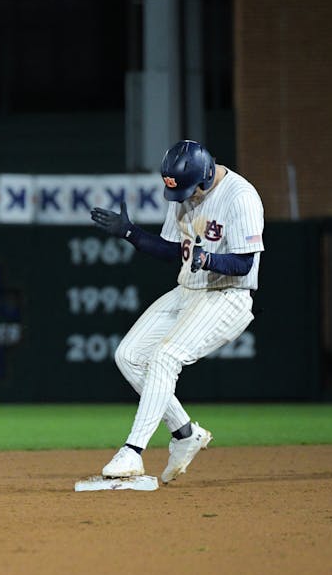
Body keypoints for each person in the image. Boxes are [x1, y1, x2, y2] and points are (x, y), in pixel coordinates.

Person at [90, 139, 265, 484]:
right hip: (189, 290)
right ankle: (186, 434)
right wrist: (130, 232)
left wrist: (210, 259)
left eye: (186, 188)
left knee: (166, 357)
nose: (182, 196)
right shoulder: (185, 194)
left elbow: (245, 263)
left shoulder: (240, 196)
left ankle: (133, 452)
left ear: (207, 174)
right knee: (128, 355)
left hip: (228, 295)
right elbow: (174, 251)